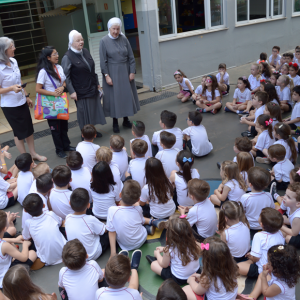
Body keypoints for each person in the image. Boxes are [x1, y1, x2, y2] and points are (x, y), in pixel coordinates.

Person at [0, 37, 46, 162]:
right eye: (11, 47)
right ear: (3, 51)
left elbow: (19, 80)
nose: (14, 48)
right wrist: (10, 88)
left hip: (21, 101)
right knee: (19, 133)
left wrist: (26, 96)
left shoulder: (14, 61)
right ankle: (27, 160)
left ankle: (33, 154)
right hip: (10, 106)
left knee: (29, 129)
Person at [61, 30, 106, 137]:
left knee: (93, 110)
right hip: (80, 90)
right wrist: (71, 91)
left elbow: (92, 69)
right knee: (83, 113)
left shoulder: (85, 51)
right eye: (78, 40)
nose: (81, 42)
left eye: (82, 40)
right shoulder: (67, 57)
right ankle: (85, 134)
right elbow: (65, 77)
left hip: (91, 86)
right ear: (71, 42)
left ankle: (92, 131)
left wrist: (97, 83)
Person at [99, 17, 140, 133]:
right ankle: (115, 122)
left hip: (125, 71)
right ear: (109, 28)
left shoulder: (124, 39)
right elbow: (103, 61)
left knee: (125, 96)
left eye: (118, 29)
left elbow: (131, 57)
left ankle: (126, 119)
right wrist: (106, 75)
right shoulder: (103, 41)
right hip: (112, 72)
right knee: (115, 98)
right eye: (113, 29)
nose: (116, 31)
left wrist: (132, 71)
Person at [36, 46, 75, 159]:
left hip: (60, 101)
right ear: (48, 57)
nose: (57, 55)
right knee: (55, 128)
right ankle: (59, 150)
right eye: (54, 54)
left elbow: (64, 82)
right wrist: (53, 93)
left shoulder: (59, 67)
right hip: (50, 103)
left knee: (64, 125)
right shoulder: (43, 71)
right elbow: (38, 89)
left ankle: (66, 146)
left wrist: (62, 88)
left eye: (57, 53)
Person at [146, 215, 201, 285]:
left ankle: (157, 259)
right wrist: (164, 249)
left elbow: (164, 264)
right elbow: (183, 249)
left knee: (153, 265)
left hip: (180, 279)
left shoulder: (170, 249)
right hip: (196, 273)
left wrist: (157, 254)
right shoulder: (194, 242)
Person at [106, 180, 154, 255]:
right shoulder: (138, 209)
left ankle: (149, 226)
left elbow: (111, 231)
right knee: (139, 222)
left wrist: (113, 253)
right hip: (141, 240)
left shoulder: (112, 210)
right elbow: (141, 221)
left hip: (125, 246)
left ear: (120, 195)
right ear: (138, 200)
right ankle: (150, 225)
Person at [237, 208, 284, 279]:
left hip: (263, 269)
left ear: (261, 224)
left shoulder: (259, 236)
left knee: (237, 267)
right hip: (276, 266)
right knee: (251, 258)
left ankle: (261, 276)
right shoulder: (280, 233)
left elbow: (256, 259)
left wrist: (252, 257)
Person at [22, 193, 67, 266]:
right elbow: (60, 222)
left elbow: (26, 237)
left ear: (25, 211)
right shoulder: (51, 214)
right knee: (64, 222)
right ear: (43, 205)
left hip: (46, 259)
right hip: (65, 252)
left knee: (28, 242)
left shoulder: (28, 223)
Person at [65, 188, 108, 260]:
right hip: (92, 255)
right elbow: (105, 230)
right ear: (88, 205)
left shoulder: (68, 217)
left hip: (77, 257)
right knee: (108, 232)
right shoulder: (91, 219)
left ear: (69, 203)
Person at [0, 210, 37, 288]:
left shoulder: (4, 244)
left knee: (12, 245)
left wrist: (15, 240)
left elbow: (4, 239)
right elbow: (24, 258)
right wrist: (25, 245)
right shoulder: (4, 245)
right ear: (4, 229)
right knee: (32, 253)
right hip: (6, 279)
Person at [240, 167, 274, 236]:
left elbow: (241, 211)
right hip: (264, 224)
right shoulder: (268, 195)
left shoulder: (245, 197)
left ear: (250, 184)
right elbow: (271, 209)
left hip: (249, 225)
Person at [280, 182, 300, 247]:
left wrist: (280, 226)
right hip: (295, 227)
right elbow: (290, 220)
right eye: (285, 194)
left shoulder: (297, 217)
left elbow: (293, 233)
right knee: (281, 218)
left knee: (288, 238)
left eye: (288, 197)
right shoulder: (290, 206)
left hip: (295, 233)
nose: (284, 197)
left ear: (298, 204)